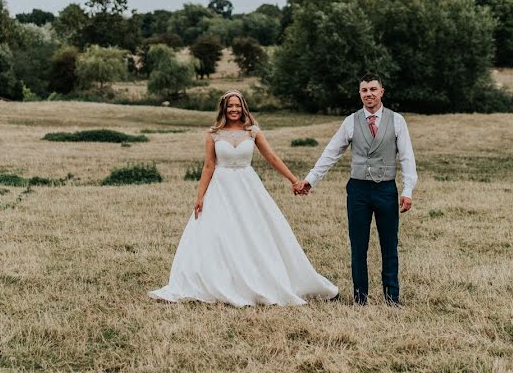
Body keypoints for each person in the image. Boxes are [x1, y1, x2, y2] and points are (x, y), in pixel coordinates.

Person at [148, 90, 338, 306]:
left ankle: (264, 279)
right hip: (221, 188)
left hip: (248, 187)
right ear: (224, 108)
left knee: (257, 232)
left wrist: (294, 180)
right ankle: (221, 280)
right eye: (230, 106)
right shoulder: (213, 134)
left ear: (243, 107)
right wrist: (200, 196)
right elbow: (209, 166)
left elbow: (272, 158)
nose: (234, 109)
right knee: (221, 234)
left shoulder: (253, 132)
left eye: (237, 105)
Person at [297, 73, 417, 305]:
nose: (369, 94)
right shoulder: (350, 121)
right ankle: (360, 297)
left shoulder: (397, 120)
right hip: (358, 191)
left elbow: (407, 158)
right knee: (358, 245)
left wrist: (408, 190)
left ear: (382, 91)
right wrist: (311, 179)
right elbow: (331, 153)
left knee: (389, 244)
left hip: (386, 190)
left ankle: (392, 298)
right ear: (360, 93)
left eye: (373, 89)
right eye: (364, 90)